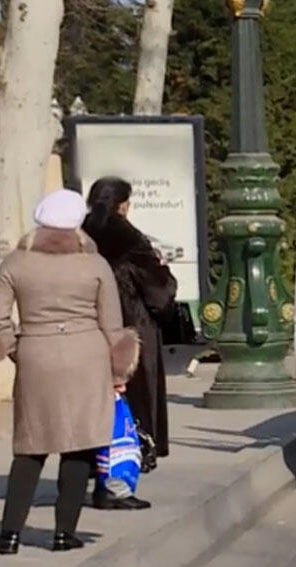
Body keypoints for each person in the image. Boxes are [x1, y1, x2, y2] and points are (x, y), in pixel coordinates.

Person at [0, 190, 140, 555]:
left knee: (30, 445)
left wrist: (12, 347)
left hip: (36, 352)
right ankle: (63, 533)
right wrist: (119, 369)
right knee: (80, 445)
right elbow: (112, 324)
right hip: (88, 354)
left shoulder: (16, 263)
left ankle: (9, 534)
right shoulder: (94, 265)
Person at [82, 177, 177, 469]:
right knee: (135, 395)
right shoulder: (129, 239)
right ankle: (132, 455)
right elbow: (158, 290)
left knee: (93, 399)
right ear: (122, 206)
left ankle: (91, 460)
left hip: (87, 327)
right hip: (131, 325)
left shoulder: (80, 236)